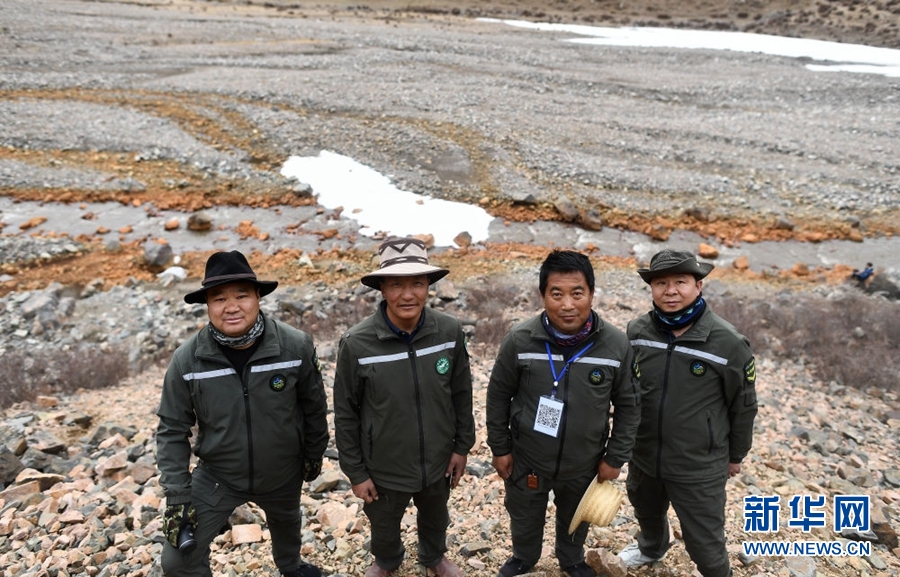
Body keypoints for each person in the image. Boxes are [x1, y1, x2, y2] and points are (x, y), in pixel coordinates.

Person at [156, 250, 328, 577]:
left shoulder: (295, 346)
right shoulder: (187, 360)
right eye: (219, 298)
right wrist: (177, 496)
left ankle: (291, 566)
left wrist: (314, 453)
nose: (231, 307)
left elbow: (314, 407)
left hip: (283, 472)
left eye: (241, 295)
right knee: (176, 562)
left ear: (258, 297)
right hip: (218, 476)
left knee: (287, 524)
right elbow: (171, 430)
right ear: (207, 305)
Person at [486, 249, 641, 577]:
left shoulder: (615, 345)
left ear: (592, 294)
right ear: (543, 295)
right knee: (524, 512)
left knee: (576, 516)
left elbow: (629, 405)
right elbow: (498, 396)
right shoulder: (520, 340)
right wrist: (500, 448)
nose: (567, 305)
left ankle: (571, 559)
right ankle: (524, 557)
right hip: (528, 456)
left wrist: (615, 457)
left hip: (585, 460)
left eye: (577, 293)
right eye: (557, 294)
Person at [333, 237, 475, 577]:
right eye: (396, 284)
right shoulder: (357, 343)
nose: (408, 295)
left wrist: (461, 447)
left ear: (428, 286)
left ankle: (434, 556)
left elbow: (462, 393)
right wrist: (356, 472)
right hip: (383, 464)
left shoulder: (449, 331)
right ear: (382, 288)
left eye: (417, 283)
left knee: (436, 514)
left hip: (438, 458)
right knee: (383, 521)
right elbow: (345, 412)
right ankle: (386, 560)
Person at [618, 249, 758, 577]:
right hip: (644, 455)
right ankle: (651, 549)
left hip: (698, 464)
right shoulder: (637, 332)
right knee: (646, 511)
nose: (671, 291)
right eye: (661, 283)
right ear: (651, 288)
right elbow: (625, 392)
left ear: (698, 286)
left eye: (680, 282)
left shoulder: (728, 342)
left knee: (704, 543)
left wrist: (736, 454)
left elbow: (743, 406)